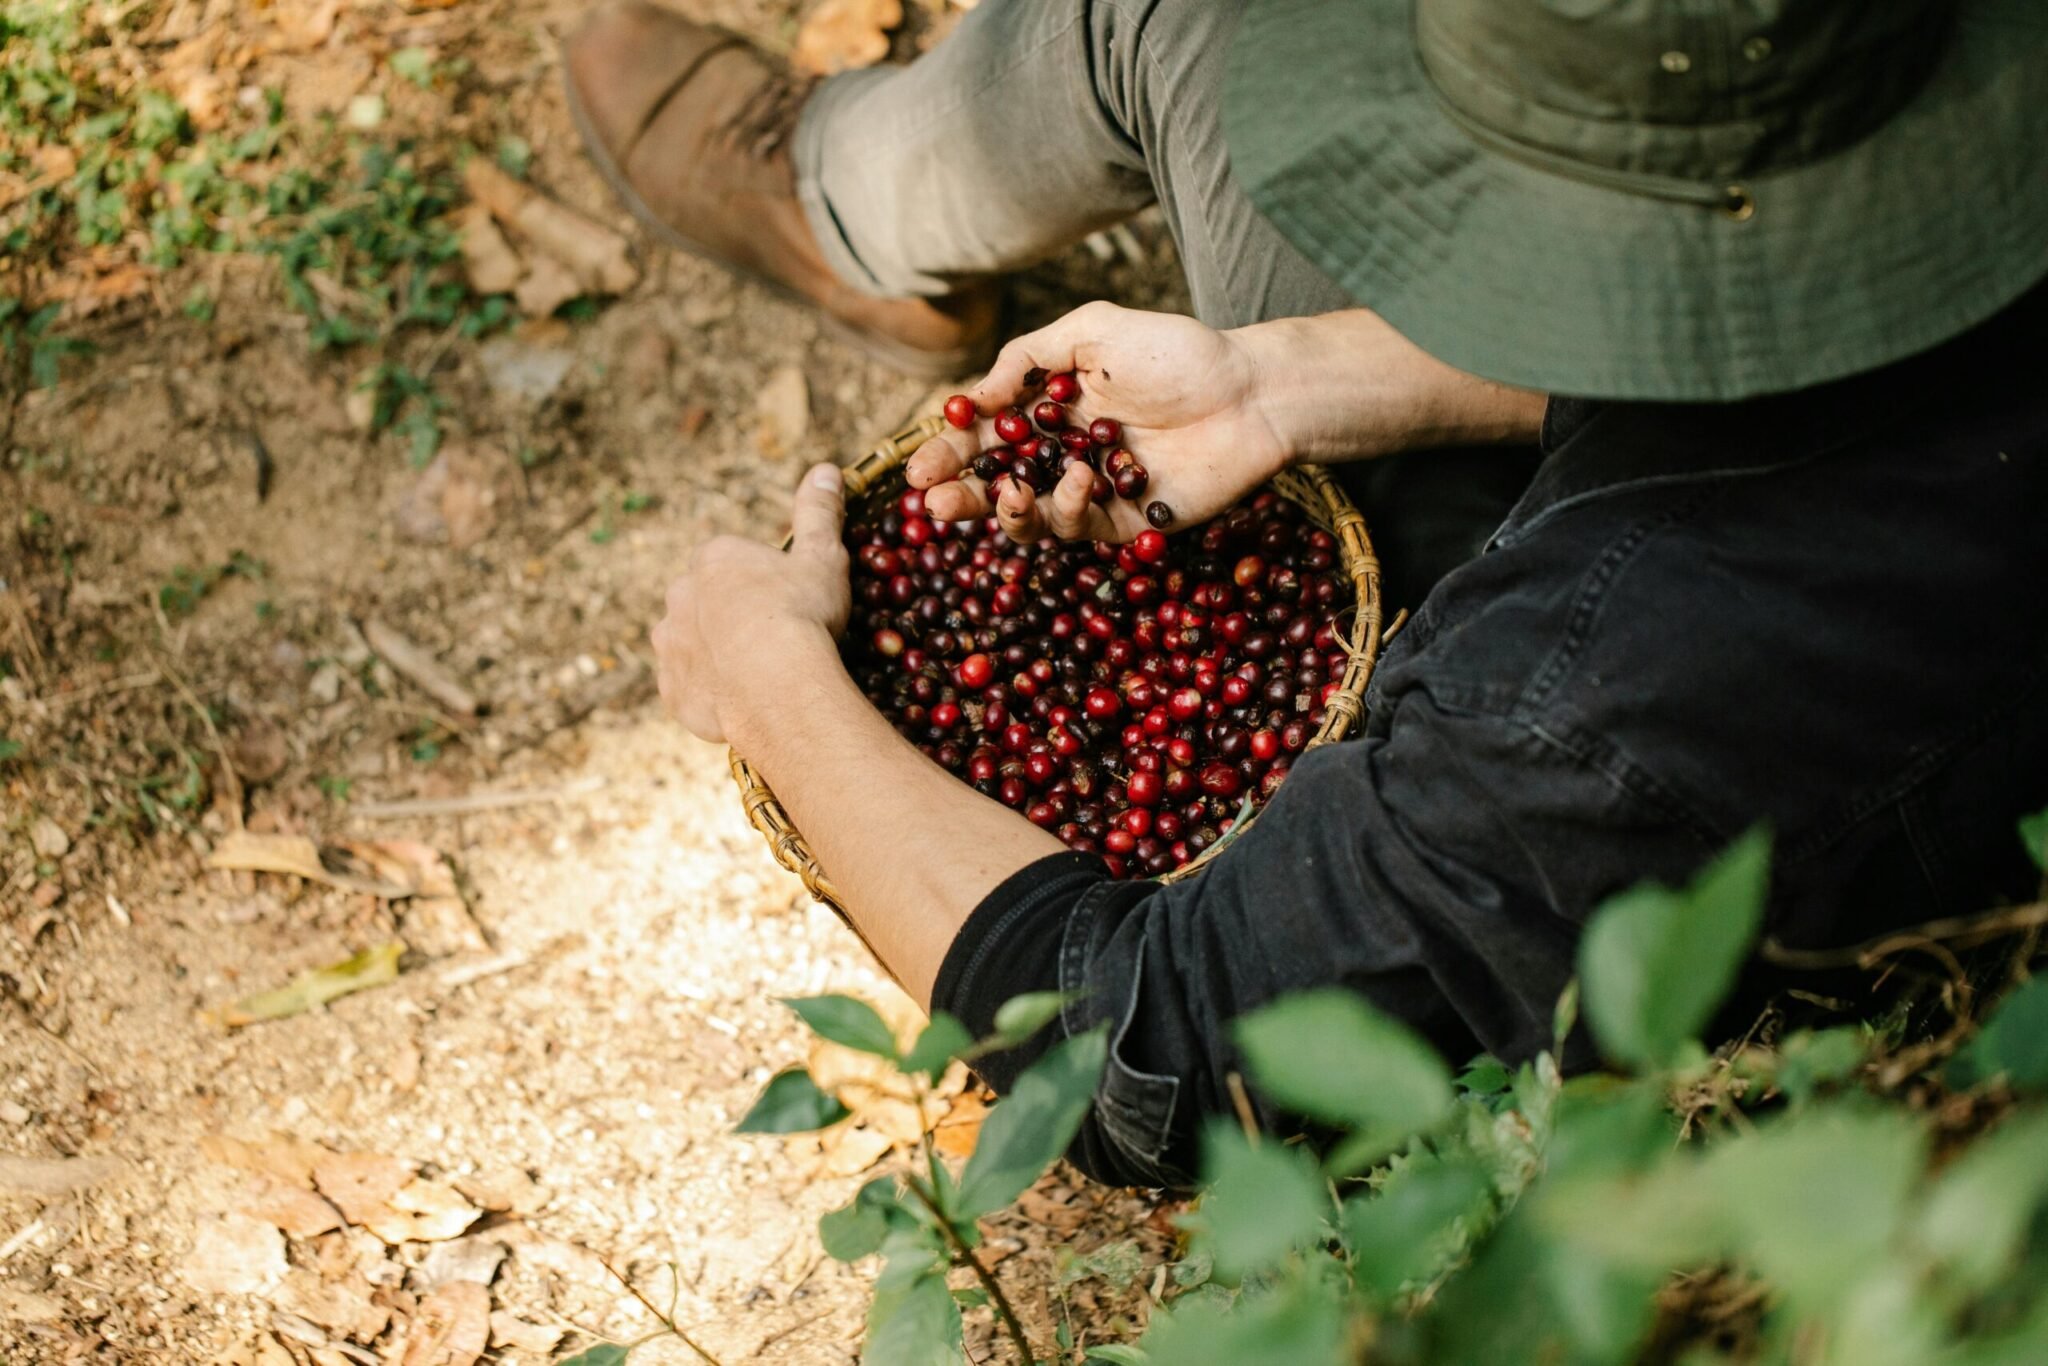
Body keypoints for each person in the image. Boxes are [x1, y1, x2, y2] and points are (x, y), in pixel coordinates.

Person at [578, 0, 2048, 1187]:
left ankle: (839, 198)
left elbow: (1150, 1056)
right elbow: (1822, 308)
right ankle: (842, 200)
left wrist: (775, 688)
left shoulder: (1593, 693)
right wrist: (1299, 378)